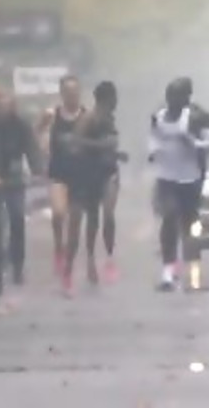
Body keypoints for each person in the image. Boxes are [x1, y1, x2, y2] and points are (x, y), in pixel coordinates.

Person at [149, 80, 209, 291]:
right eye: (170, 96)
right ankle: (167, 273)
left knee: (189, 225)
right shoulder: (159, 117)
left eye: (179, 96)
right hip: (166, 178)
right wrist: (153, 151)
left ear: (187, 98)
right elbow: (154, 138)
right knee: (169, 218)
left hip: (190, 179)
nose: (174, 101)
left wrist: (194, 143)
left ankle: (192, 267)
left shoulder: (196, 117)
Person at [0, 90, 43, 286]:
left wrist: (37, 168)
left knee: (17, 217)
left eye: (6, 105)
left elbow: (31, 148)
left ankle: (18, 264)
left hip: (14, 178)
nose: (2, 109)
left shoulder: (21, 125)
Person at [37, 75, 87, 294]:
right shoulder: (52, 115)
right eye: (67, 91)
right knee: (58, 213)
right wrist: (43, 143)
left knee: (75, 226)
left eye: (75, 91)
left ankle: (68, 270)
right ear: (62, 93)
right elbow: (37, 132)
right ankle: (59, 246)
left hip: (81, 178)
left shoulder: (87, 116)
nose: (71, 95)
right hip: (59, 174)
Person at [71, 81, 122, 285]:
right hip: (91, 173)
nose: (117, 101)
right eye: (114, 97)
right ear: (107, 99)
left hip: (110, 172)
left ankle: (109, 255)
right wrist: (101, 145)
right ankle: (91, 257)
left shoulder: (110, 119)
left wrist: (117, 153)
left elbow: (111, 145)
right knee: (93, 217)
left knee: (108, 213)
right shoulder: (88, 118)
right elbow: (76, 142)